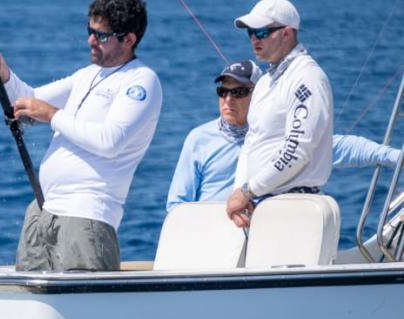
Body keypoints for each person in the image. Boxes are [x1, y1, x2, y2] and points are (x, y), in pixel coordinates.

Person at [0, 0, 162, 271]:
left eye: (101, 35)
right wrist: (2, 70)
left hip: (86, 217)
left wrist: (52, 116)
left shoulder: (142, 81)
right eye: (90, 30)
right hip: (44, 211)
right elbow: (27, 99)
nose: (90, 40)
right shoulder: (86, 75)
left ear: (129, 39)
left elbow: (110, 141)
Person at [167, 60, 400, 211]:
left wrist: (396, 157)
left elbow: (344, 147)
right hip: (215, 237)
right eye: (223, 92)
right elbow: (176, 205)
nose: (228, 100)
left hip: (266, 234)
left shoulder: (279, 135)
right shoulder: (198, 139)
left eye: (238, 92)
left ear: (260, 94)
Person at [225, 0, 333, 228]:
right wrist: (239, 193)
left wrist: (248, 190)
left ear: (287, 33)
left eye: (262, 32)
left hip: (294, 207)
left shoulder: (307, 77)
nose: (254, 38)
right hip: (260, 207)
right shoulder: (265, 82)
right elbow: (251, 143)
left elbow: (296, 149)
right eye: (250, 33)